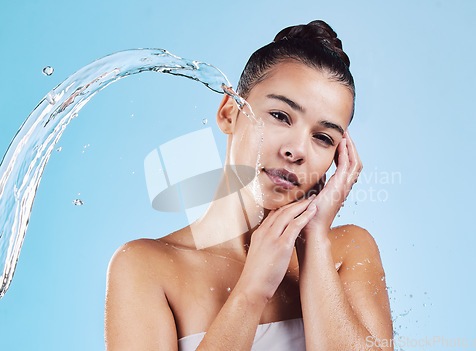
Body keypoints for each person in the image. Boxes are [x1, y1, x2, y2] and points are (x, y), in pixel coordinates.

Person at [104, 20, 394, 350]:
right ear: (229, 112)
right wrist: (252, 291)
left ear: (339, 158)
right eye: (281, 116)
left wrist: (313, 243)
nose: (296, 150)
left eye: (323, 137)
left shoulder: (347, 252)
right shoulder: (146, 267)